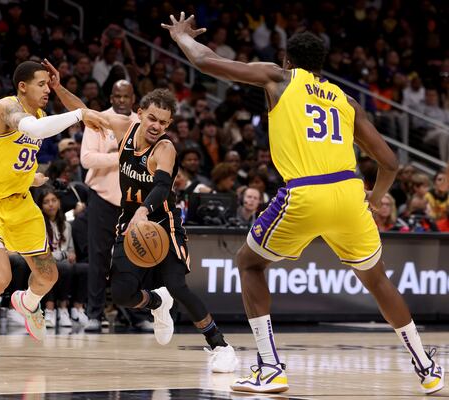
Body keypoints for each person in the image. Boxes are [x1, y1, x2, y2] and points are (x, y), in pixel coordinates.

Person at [164, 15, 444, 394]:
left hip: (306, 191)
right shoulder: (346, 101)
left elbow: (205, 61)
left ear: (286, 60)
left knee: (249, 263)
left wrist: (181, 37)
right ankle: (426, 368)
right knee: (377, 280)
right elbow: (391, 163)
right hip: (349, 192)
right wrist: (374, 200)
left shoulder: (279, 78)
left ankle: (270, 368)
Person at [0, 60, 108, 364]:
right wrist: (77, 113)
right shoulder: (4, 108)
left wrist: (28, 176)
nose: (47, 90)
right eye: (42, 84)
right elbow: (34, 129)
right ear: (22, 86)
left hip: (20, 201)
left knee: (49, 275)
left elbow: (19, 152)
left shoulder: (41, 113)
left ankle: (28, 301)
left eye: (49, 85)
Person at [97, 88, 238, 373]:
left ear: (169, 124)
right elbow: (84, 113)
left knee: (178, 285)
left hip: (162, 223)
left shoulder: (165, 148)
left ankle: (221, 346)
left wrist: (144, 210)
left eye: (163, 122)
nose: (156, 126)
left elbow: (162, 186)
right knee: (122, 294)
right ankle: (157, 302)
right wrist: (59, 88)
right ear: (139, 113)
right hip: (130, 224)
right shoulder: (125, 129)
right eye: (152, 118)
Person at [81, 79, 152, 332]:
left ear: (133, 99)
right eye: (117, 96)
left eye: (126, 96)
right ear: (111, 98)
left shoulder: (142, 124)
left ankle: (134, 315)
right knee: (98, 258)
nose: (122, 100)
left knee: (133, 260)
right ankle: (94, 314)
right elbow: (87, 158)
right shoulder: (97, 119)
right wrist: (119, 156)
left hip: (132, 202)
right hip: (101, 198)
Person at [37, 188, 88, 328]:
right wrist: (64, 255)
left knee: (85, 268)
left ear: (59, 203)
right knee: (60, 267)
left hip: (64, 263)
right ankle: (52, 309)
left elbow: (71, 250)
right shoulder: (37, 225)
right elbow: (42, 254)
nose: (51, 204)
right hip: (43, 264)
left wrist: (70, 255)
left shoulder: (66, 225)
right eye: (46, 202)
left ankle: (77, 308)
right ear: (41, 206)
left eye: (54, 200)